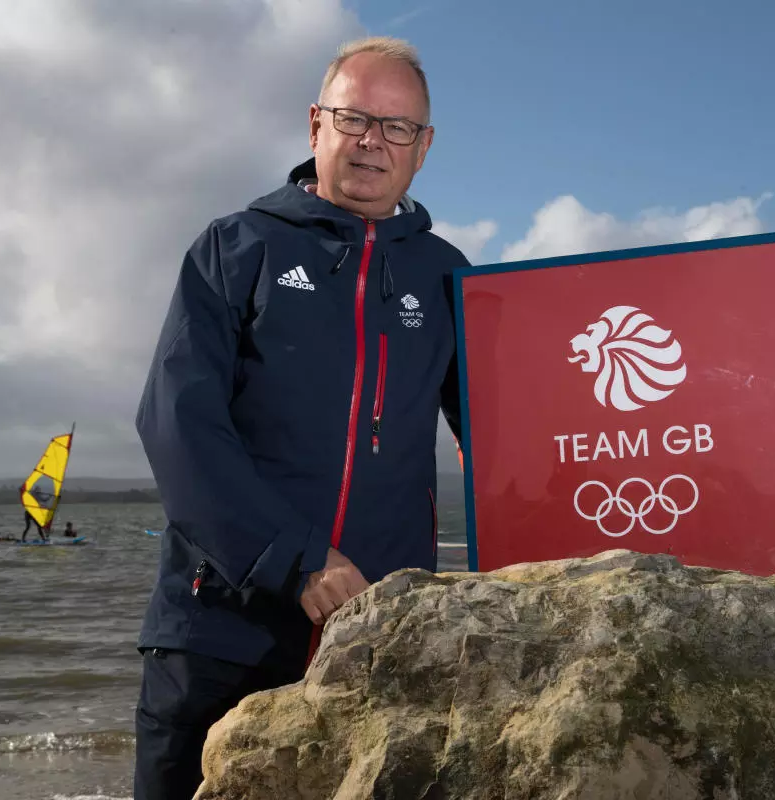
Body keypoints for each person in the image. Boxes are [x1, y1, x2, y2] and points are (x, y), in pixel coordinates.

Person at [131, 36, 468, 800]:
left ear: (425, 147)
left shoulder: (449, 276)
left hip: (379, 637)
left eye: (397, 127)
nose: (372, 142)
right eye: (354, 118)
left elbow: (515, 431)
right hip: (218, 630)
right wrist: (296, 559)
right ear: (316, 124)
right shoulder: (234, 246)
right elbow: (177, 425)